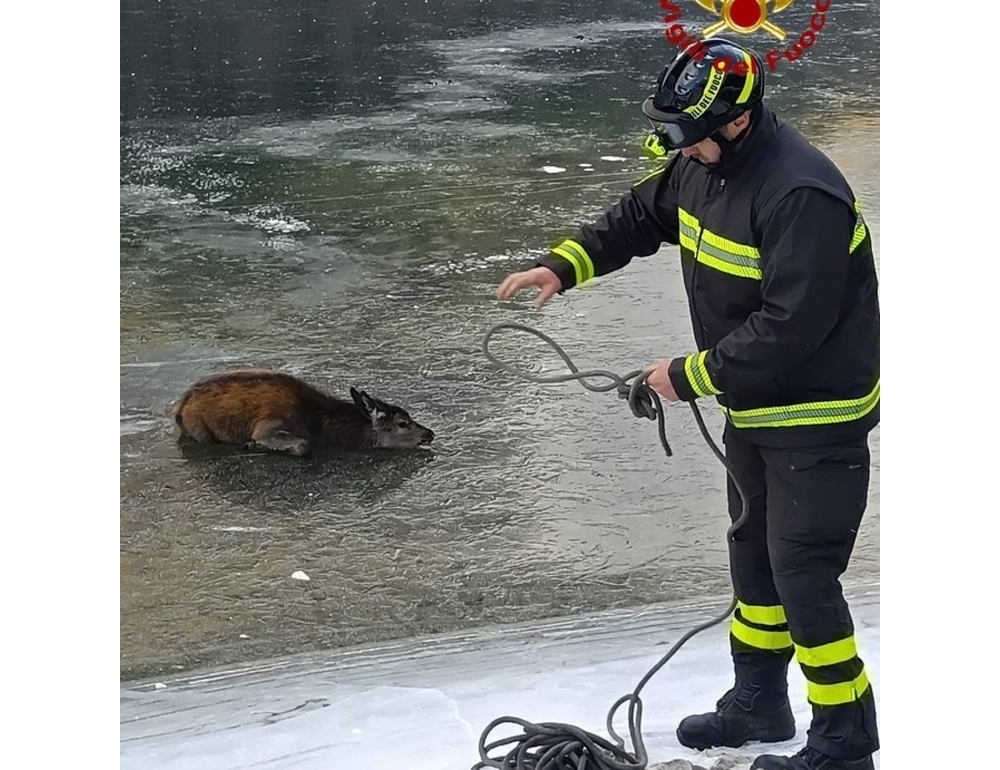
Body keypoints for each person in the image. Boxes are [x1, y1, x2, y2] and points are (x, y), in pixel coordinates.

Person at [494, 37, 880, 770]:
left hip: (815, 418)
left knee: (803, 574)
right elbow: (639, 217)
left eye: (689, 137)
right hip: (754, 409)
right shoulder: (704, 166)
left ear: (735, 123)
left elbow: (793, 325)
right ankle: (760, 705)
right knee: (755, 561)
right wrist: (561, 267)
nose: (680, 149)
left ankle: (845, 740)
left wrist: (689, 374)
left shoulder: (802, 194)